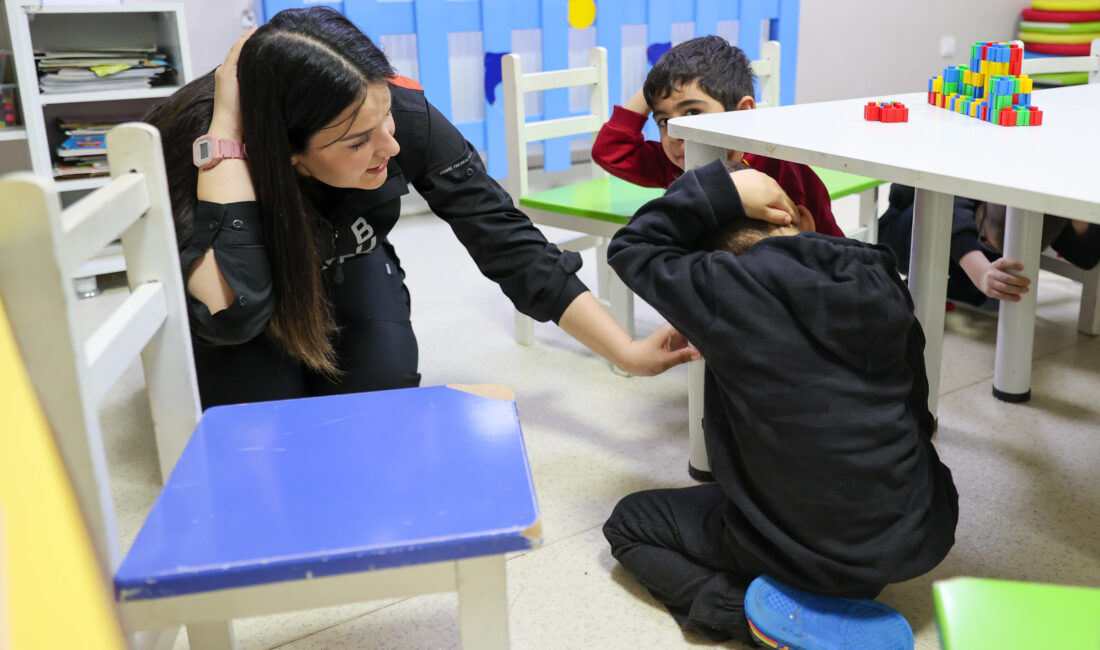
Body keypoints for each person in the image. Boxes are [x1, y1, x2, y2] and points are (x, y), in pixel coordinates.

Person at [145, 7, 705, 408]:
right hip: (251, 291)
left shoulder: (397, 116)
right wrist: (224, 135)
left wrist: (626, 351)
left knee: (377, 407)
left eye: (384, 117)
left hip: (346, 260)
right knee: (261, 422)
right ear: (288, 153)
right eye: (357, 142)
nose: (389, 147)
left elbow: (505, 238)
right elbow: (232, 313)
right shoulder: (202, 148)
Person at [602, 160, 959, 646]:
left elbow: (632, 245)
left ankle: (749, 616)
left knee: (628, 524)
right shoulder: (881, 276)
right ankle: (828, 592)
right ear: (805, 220)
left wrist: (721, 191)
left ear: (705, 255)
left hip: (804, 556)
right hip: (905, 542)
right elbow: (918, 402)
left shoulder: (721, 287)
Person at [590, 35, 846, 239]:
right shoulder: (677, 164)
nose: (677, 133)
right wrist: (653, 85)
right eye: (665, 121)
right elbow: (610, 150)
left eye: (692, 112)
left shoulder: (778, 163)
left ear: (742, 113)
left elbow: (798, 243)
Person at [879, 183, 1100, 309]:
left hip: (962, 244)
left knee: (995, 295)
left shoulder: (1038, 211)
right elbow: (952, 214)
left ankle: (961, 285)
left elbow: (1087, 257)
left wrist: (1078, 218)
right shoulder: (965, 196)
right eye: (984, 237)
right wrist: (982, 273)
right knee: (954, 228)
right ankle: (962, 279)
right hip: (906, 227)